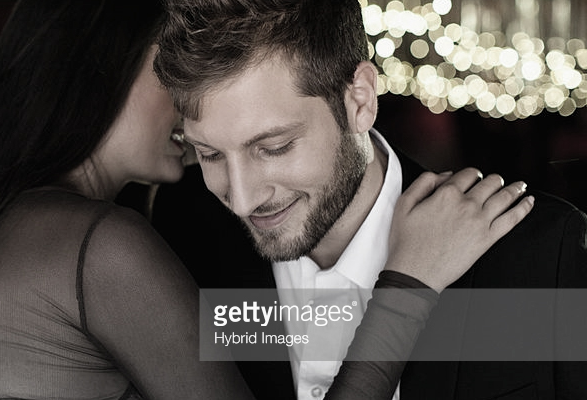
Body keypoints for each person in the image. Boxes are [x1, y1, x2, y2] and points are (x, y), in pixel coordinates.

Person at [0, 0, 532, 399]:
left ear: (360, 100)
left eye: (271, 145)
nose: (196, 98)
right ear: (101, 71)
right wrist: (407, 285)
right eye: (175, 70)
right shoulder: (101, 245)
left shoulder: (37, 225)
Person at [151, 0, 587, 399]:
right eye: (209, 154)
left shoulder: (542, 256)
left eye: (274, 147)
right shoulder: (183, 235)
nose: (243, 200)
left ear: (359, 100)